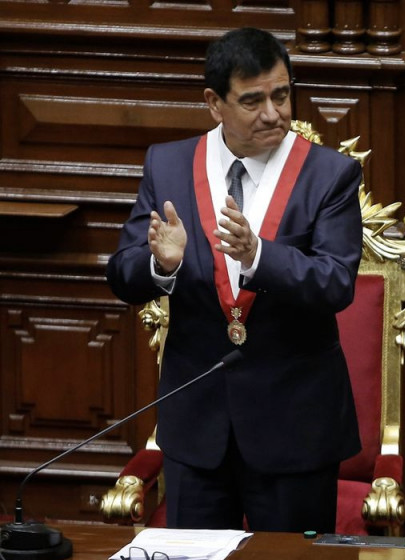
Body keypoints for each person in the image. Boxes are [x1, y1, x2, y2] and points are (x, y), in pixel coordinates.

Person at [106, 27, 364, 533]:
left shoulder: (330, 175)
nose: (273, 113)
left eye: (282, 95)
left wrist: (259, 255)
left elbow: (336, 282)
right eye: (252, 101)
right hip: (197, 429)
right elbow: (121, 274)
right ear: (214, 103)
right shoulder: (168, 165)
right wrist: (163, 266)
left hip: (295, 428)